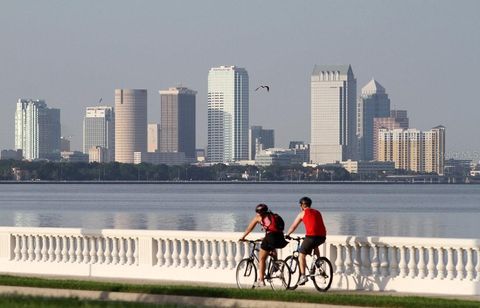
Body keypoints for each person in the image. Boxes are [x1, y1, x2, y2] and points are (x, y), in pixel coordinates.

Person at [239, 203, 289, 288]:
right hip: (280, 237)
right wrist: (267, 237)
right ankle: (276, 266)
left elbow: (249, 228)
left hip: (271, 237)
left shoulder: (258, 218)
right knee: (271, 247)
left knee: (262, 258)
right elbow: (274, 229)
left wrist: (243, 237)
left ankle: (261, 280)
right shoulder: (273, 215)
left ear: (259, 212)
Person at [285, 196, 327, 286]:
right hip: (322, 237)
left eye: (300, 205)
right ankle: (318, 262)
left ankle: (303, 276)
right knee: (315, 245)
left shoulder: (302, 213)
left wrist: (287, 234)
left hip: (311, 237)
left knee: (301, 255)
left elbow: (293, 226)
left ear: (303, 205)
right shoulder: (317, 212)